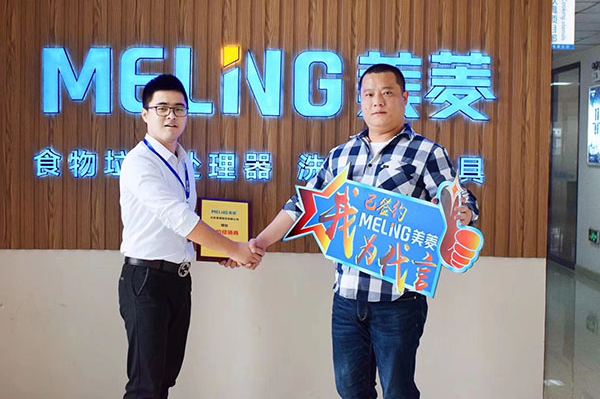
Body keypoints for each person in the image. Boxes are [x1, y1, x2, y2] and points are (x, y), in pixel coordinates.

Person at [247, 64, 479, 398]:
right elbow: (301, 204)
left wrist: (462, 215)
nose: (377, 101)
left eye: (387, 93)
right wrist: (260, 242)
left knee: (398, 391)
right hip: (347, 297)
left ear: (404, 98)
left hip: (398, 299)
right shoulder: (340, 155)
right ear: (360, 101)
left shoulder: (427, 153)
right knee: (350, 390)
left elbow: (460, 201)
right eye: (369, 94)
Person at [118, 74, 263, 399]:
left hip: (178, 280)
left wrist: (220, 250)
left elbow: (185, 224)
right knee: (145, 386)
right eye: (162, 108)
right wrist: (235, 249)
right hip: (146, 280)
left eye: (179, 109)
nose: (171, 115)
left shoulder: (183, 160)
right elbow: (178, 218)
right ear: (145, 114)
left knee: (164, 380)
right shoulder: (139, 163)